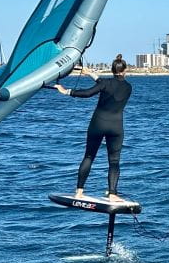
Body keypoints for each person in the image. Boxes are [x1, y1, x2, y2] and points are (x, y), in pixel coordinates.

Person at [55, 54, 132, 202]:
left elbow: (88, 92)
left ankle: (78, 193)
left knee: (89, 156)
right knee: (114, 161)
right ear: (125, 70)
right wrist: (90, 73)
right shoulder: (128, 87)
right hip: (116, 127)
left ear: (111, 69)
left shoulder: (105, 83)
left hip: (98, 124)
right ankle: (112, 194)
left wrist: (66, 91)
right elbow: (107, 84)